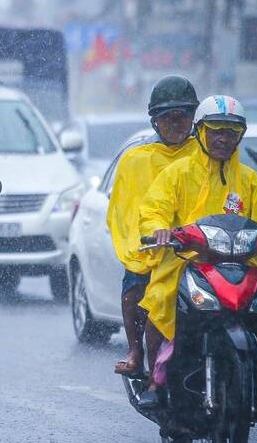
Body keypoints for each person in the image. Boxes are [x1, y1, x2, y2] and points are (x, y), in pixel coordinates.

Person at [137, 95, 257, 424]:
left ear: (240, 135)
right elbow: (153, 210)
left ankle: (254, 391)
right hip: (186, 261)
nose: (224, 139)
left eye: (231, 132)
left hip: (243, 264)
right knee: (160, 301)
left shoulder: (250, 180)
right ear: (200, 132)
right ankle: (156, 382)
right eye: (216, 131)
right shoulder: (177, 173)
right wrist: (159, 231)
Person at [106, 75, 199, 376]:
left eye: (182, 117)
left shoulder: (207, 156)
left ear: (193, 118)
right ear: (155, 121)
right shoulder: (136, 160)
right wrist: (146, 238)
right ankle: (136, 351)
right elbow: (126, 209)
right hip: (155, 248)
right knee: (134, 289)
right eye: (166, 117)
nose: (175, 124)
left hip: (200, 247)